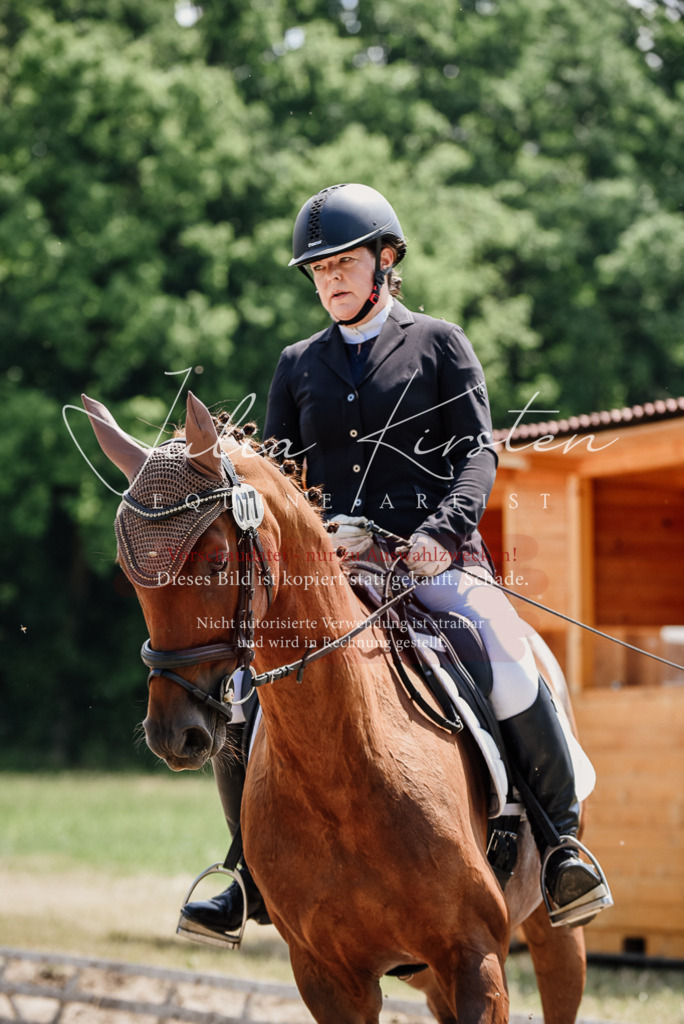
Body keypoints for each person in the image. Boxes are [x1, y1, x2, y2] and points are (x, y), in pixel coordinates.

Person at [180, 183, 612, 942]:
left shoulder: (440, 343)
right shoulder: (297, 364)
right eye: (317, 271)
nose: (329, 281)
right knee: (247, 683)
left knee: (507, 657)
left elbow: (478, 454)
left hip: (433, 560)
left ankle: (562, 848)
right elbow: (281, 478)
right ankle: (246, 869)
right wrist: (313, 536)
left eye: (342, 264)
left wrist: (441, 533)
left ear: (386, 261)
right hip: (330, 574)